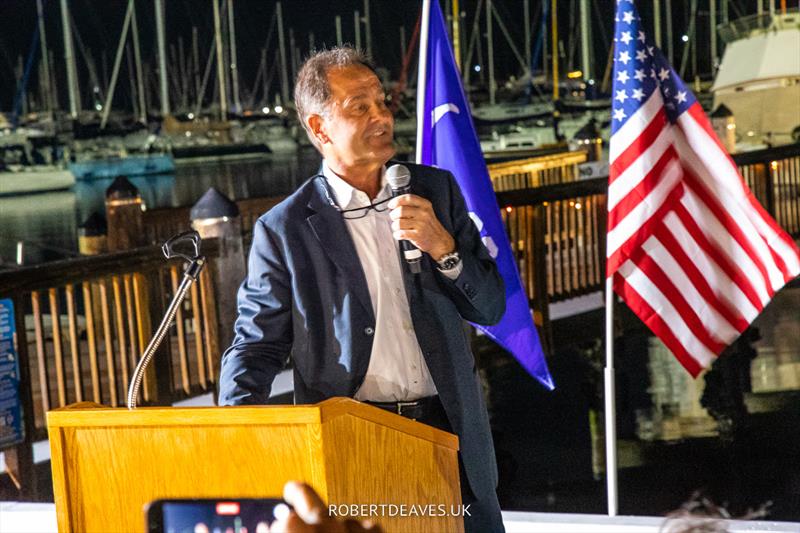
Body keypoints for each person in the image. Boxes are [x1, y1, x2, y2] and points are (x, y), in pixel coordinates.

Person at [219, 46, 506, 533]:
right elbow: (258, 343)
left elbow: (493, 308)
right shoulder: (285, 228)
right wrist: (239, 432)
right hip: (356, 439)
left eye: (381, 102)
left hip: (450, 432)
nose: (381, 115)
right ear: (318, 127)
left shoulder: (436, 191)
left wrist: (443, 248)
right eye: (360, 106)